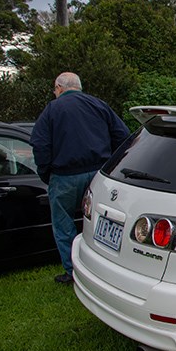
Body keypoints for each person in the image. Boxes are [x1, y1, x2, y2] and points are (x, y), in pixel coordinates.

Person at [30, 72, 130, 284]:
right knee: (101, 222)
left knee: (63, 223)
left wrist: (45, 172)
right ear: (79, 86)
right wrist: (111, 166)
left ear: (59, 87)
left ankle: (72, 270)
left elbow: (40, 144)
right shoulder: (99, 105)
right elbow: (123, 136)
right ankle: (103, 266)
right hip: (98, 175)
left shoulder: (52, 110)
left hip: (64, 176)